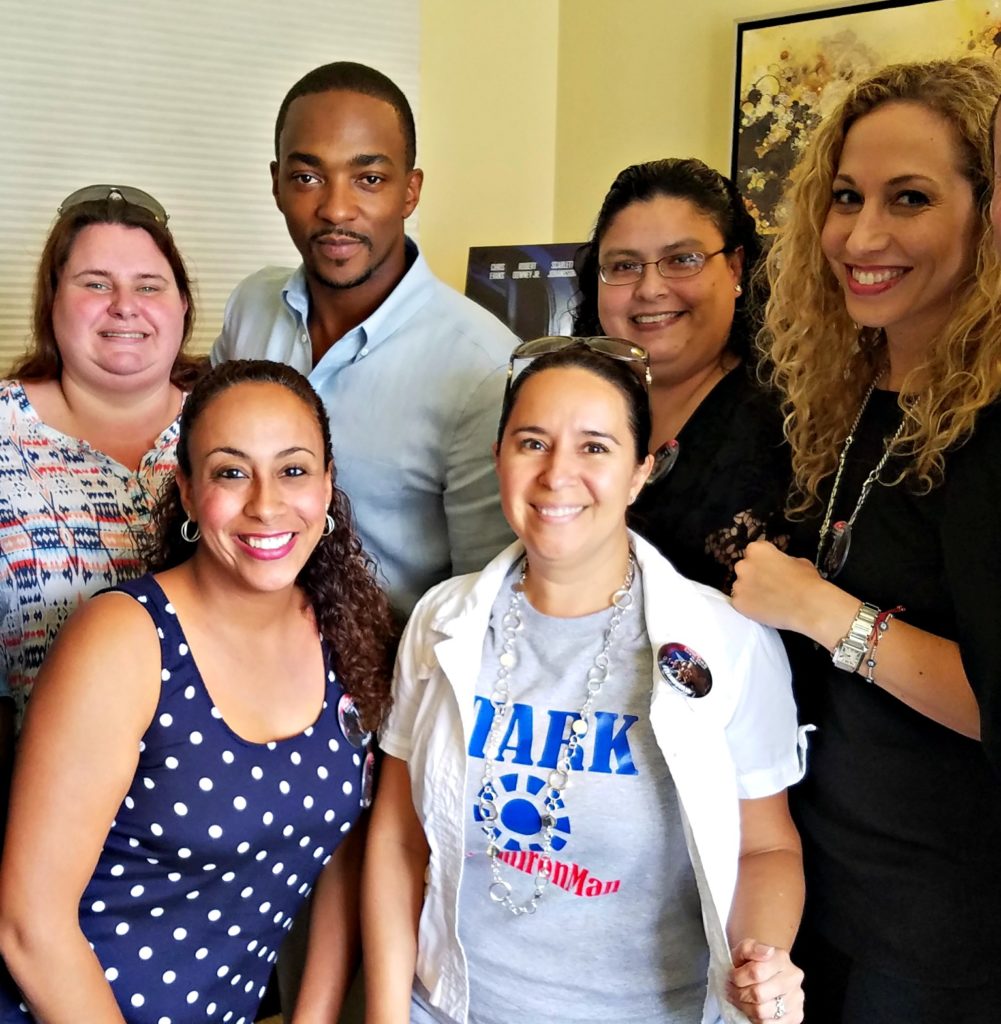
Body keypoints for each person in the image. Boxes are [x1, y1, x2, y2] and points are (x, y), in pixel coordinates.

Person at [363, 341, 808, 1024]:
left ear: (640, 472)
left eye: (595, 448)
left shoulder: (726, 644)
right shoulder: (440, 622)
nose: (556, 474)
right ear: (498, 459)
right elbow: (398, 839)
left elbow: (766, 845)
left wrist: (761, 957)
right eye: (531, 442)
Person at [0, 359, 395, 1023]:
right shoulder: (124, 639)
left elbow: (342, 852)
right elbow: (28, 927)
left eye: (293, 469)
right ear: (186, 491)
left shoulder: (347, 635)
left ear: (328, 486)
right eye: (231, 471)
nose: (266, 503)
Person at [731, 58, 1001, 1022]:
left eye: (910, 198)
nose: (861, 234)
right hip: (827, 894)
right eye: (845, 198)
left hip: (940, 933)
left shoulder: (989, 427)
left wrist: (821, 611)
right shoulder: (861, 392)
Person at [211, 61, 516, 620]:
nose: (336, 209)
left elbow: (483, 608)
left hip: (392, 686)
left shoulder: (484, 371)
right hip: (233, 652)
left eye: (369, 179)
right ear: (276, 183)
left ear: (410, 191)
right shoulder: (251, 309)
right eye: (307, 177)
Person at [0, 185, 200, 731]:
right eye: (95, 284)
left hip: (225, 785)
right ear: (52, 299)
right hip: (47, 791)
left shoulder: (232, 426)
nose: (125, 305)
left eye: (149, 286)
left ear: (182, 303)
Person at [572, 158, 787, 593]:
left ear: (735, 267)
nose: (650, 289)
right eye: (624, 266)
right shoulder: (573, 408)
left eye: (682, 259)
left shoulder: (791, 428)